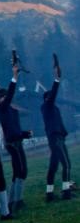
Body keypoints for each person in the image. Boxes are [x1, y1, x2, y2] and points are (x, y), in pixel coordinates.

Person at [0, 63, 31, 210]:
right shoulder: (2, 108)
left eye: (2, 97)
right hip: (12, 143)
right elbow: (11, 93)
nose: (2, 99)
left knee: (22, 171)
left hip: (17, 140)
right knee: (19, 171)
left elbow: (14, 129)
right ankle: (16, 201)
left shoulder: (11, 110)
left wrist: (25, 134)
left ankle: (14, 200)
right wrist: (15, 76)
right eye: (1, 97)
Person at [41, 61, 72, 201]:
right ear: (47, 99)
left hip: (59, 138)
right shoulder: (46, 106)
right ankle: (66, 193)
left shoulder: (53, 108)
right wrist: (57, 78)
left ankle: (49, 194)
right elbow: (53, 94)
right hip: (55, 139)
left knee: (54, 166)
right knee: (66, 164)